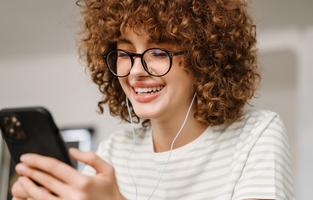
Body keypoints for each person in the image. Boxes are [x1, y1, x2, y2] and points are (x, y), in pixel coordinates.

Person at [11, 0, 294, 199]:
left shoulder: (256, 134)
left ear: (204, 58)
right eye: (124, 53)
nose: (135, 71)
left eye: (159, 52)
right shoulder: (112, 153)